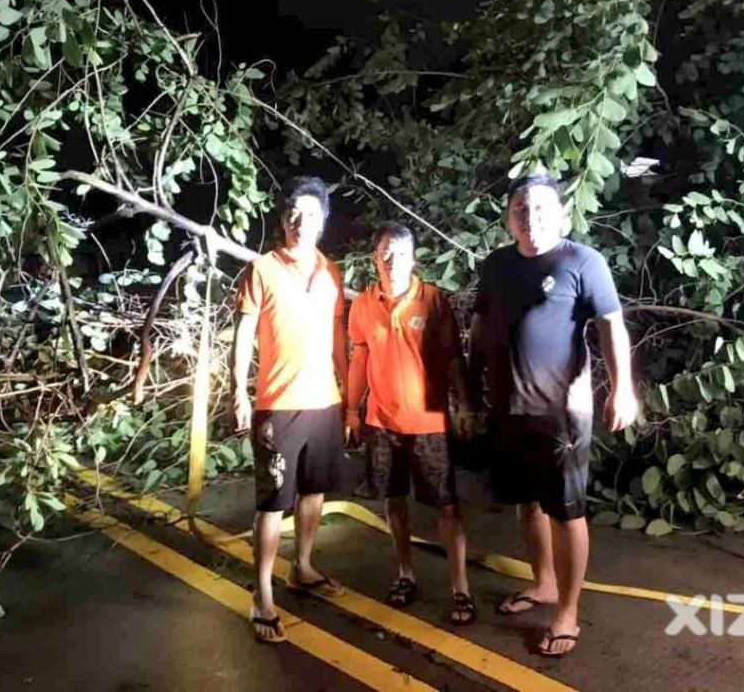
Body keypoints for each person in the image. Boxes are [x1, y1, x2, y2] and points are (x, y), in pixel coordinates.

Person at [468, 173, 638, 657]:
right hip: (508, 407)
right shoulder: (496, 265)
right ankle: (542, 583)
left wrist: (622, 389)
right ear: (509, 218)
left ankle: (567, 610)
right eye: (521, 210)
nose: (531, 218)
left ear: (562, 213)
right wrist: (470, 383)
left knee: (566, 511)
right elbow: (481, 325)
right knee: (528, 502)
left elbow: (611, 327)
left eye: (541, 209)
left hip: (561, 413)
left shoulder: (583, 262)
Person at [231, 176, 348, 644]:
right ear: (283, 220)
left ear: (323, 222)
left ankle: (302, 566)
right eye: (293, 214)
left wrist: (349, 391)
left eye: (310, 215)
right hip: (277, 405)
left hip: (326, 402)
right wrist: (238, 390)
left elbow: (338, 338)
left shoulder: (331, 272)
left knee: (315, 493)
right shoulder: (262, 269)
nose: (300, 223)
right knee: (273, 503)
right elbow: (243, 334)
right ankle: (262, 594)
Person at [345, 221, 478, 625]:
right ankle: (405, 574)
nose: (392, 260)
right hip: (382, 421)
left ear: (413, 258)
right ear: (375, 257)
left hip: (429, 421)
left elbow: (455, 360)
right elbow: (359, 360)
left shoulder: (433, 301)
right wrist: (352, 409)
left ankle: (461, 588)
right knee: (393, 500)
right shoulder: (363, 305)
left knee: (446, 505)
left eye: (400, 252)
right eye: (385, 252)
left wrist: (466, 406)